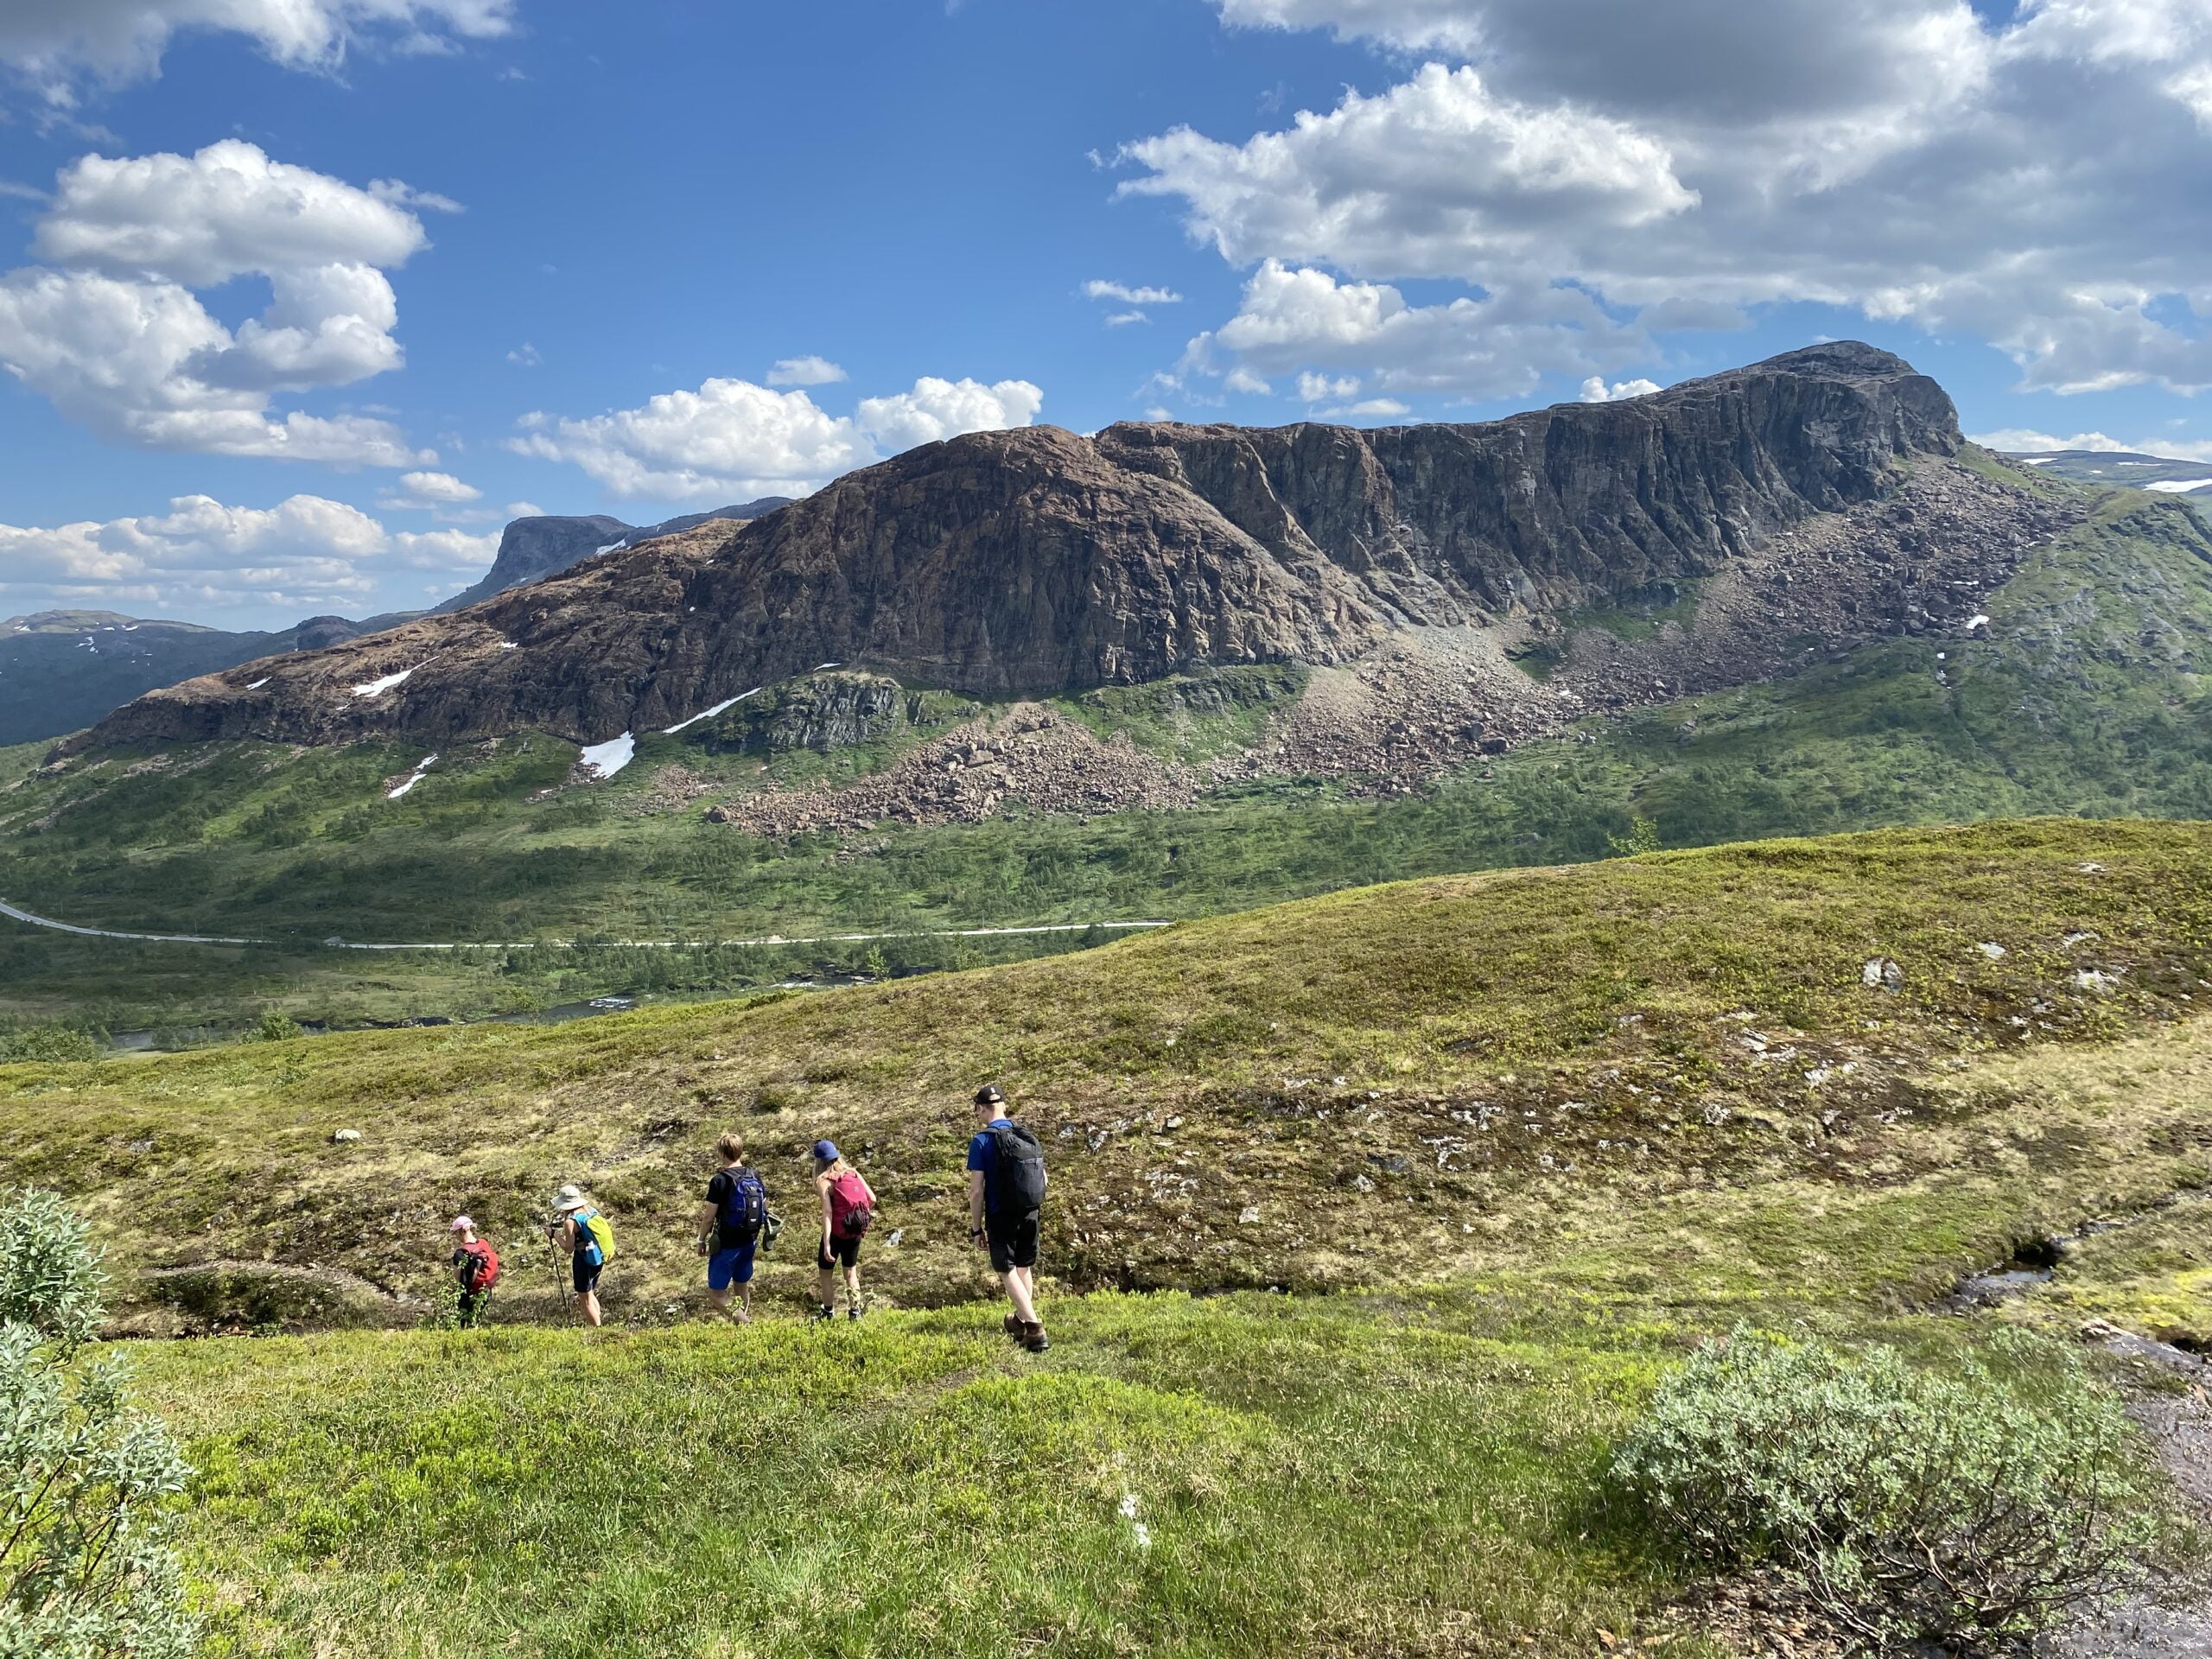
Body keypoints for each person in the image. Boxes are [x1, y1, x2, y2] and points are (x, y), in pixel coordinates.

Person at [967, 1084, 1048, 1353]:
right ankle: (1021, 1322)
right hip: (1030, 1210)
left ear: (981, 1108)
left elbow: (977, 1191)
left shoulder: (981, 1141)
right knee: (1024, 1266)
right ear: (1004, 1105)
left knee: (1005, 1269)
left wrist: (976, 1228)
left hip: (1001, 1214)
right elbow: (1043, 1178)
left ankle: (1035, 1328)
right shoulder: (1025, 1136)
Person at [696, 1134, 768, 1324]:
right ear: (740, 1151)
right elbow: (765, 1207)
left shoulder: (720, 1180)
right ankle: (741, 1326)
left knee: (716, 1293)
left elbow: (709, 1217)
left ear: (721, 1153)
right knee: (741, 1285)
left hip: (727, 1244)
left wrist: (701, 1239)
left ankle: (745, 1324)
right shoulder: (754, 1175)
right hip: (750, 1240)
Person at [810, 1141, 876, 1321]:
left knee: (825, 1274)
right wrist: (859, 1219)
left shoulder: (824, 1180)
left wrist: (826, 1245)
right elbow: (872, 1199)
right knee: (851, 1273)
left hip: (836, 1234)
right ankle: (855, 1313)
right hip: (854, 1233)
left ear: (819, 1161)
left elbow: (827, 1213)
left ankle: (828, 1312)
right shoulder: (853, 1173)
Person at [549, 1183, 610, 1328]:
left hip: (583, 1261)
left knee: (585, 1299)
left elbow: (568, 1248)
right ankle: (599, 1323)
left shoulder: (570, 1222)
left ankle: (598, 1330)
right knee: (590, 1293)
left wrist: (554, 1234)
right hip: (597, 1257)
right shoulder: (590, 1211)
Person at [447, 1216, 499, 1328]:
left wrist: (450, 1294)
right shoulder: (484, 1244)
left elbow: (457, 1279)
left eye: (456, 1233)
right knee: (476, 1321)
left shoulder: (460, 1253)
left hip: (468, 1295)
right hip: (486, 1291)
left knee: (465, 1326)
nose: (456, 1236)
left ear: (461, 1232)